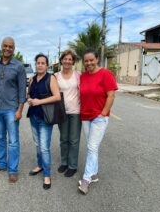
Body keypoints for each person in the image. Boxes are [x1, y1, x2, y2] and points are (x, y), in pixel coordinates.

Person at [78, 49, 118, 194]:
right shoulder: (83, 76)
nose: (89, 63)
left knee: (92, 147)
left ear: (97, 59)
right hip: (85, 116)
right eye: (86, 61)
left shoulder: (105, 74)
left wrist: (103, 113)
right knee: (91, 146)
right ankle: (94, 173)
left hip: (98, 118)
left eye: (91, 60)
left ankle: (86, 179)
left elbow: (111, 95)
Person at [0, 37, 26, 183]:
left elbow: (22, 90)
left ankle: (13, 170)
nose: (8, 49)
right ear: (1, 46)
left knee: (13, 141)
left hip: (11, 108)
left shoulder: (19, 66)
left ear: (14, 48)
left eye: (11, 46)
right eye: (5, 46)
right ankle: (1, 164)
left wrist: (20, 110)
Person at [27, 53, 61, 190]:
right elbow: (29, 94)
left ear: (47, 65)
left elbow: (57, 96)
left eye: (43, 63)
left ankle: (47, 174)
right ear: (35, 64)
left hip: (45, 117)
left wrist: (39, 101)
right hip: (34, 115)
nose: (40, 65)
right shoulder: (32, 79)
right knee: (37, 144)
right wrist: (29, 99)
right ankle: (40, 165)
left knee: (44, 147)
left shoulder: (50, 78)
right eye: (38, 63)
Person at [54, 50, 82, 178]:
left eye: (70, 59)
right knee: (64, 139)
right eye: (65, 59)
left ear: (73, 62)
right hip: (62, 112)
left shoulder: (78, 75)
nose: (67, 61)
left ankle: (72, 166)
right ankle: (64, 162)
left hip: (76, 112)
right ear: (61, 60)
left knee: (74, 140)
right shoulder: (55, 76)